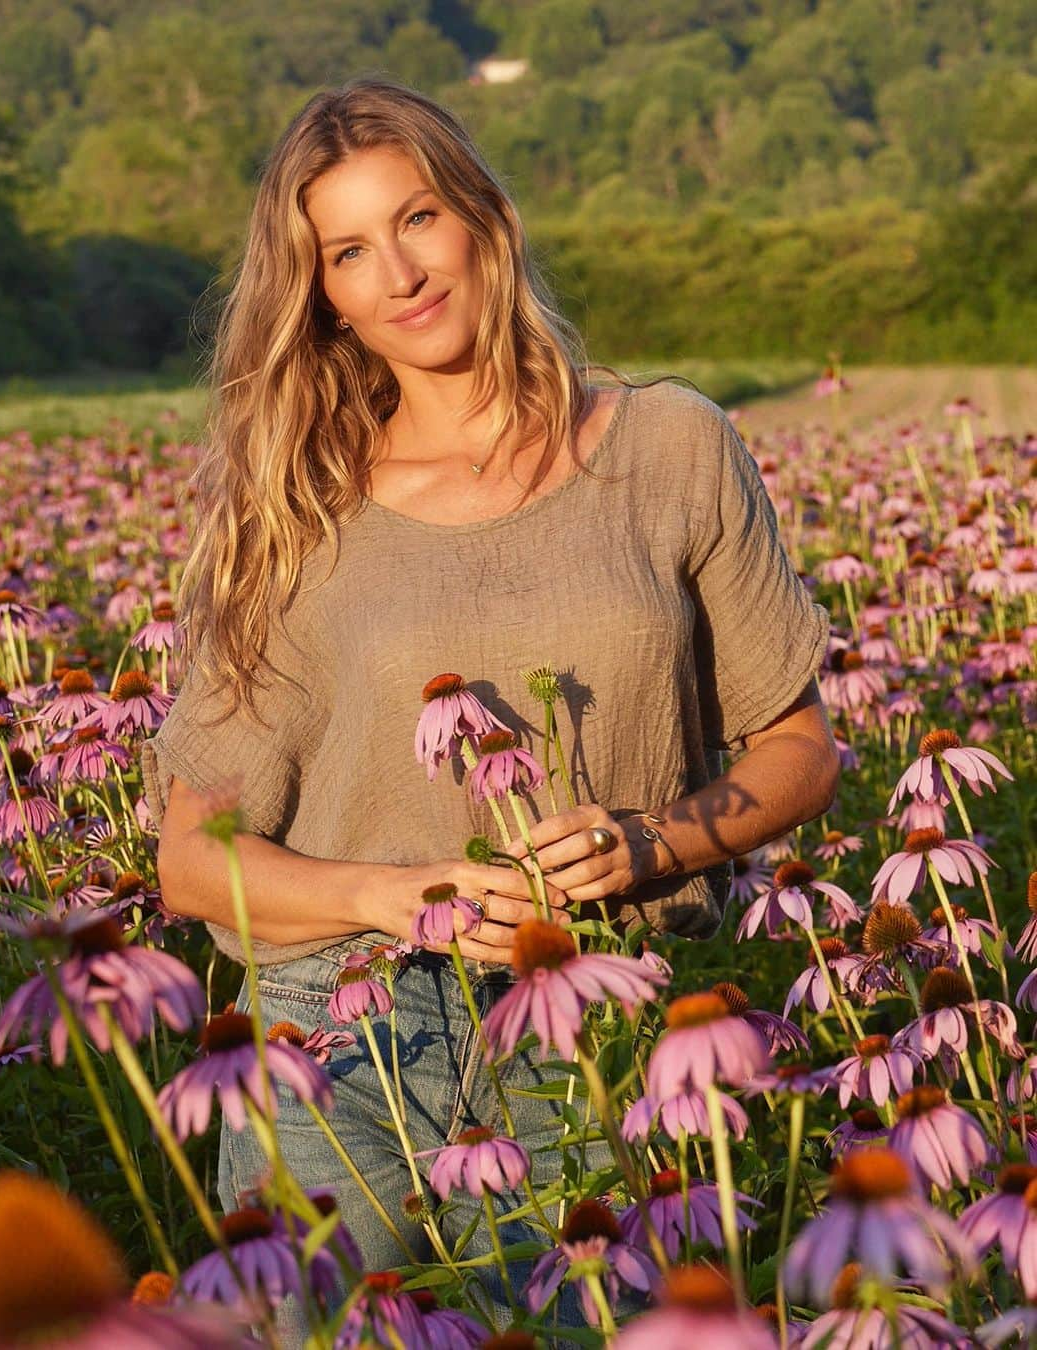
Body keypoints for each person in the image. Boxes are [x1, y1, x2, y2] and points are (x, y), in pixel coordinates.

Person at [141, 75, 839, 1336]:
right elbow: (191, 862)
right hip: (335, 1031)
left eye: (417, 218)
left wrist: (652, 842)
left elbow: (799, 748)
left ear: (483, 218)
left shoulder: (669, 444)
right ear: (326, 300)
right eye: (348, 252)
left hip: (589, 1017)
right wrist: (387, 891)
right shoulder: (300, 509)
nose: (400, 272)